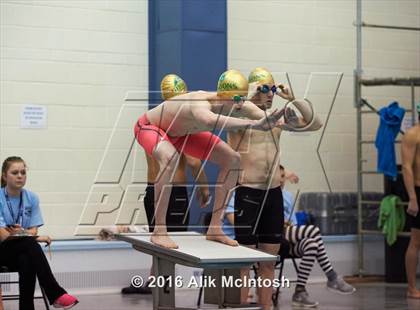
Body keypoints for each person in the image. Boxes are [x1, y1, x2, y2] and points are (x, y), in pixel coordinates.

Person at [134, 69, 285, 249]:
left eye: (243, 99)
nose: (240, 105)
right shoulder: (199, 103)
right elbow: (212, 121)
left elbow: (271, 120)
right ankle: (159, 231)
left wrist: (287, 121)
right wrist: (254, 124)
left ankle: (215, 228)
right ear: (223, 96)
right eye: (237, 100)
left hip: (182, 133)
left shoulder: (235, 102)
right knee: (170, 158)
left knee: (232, 159)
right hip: (150, 127)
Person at [227, 67, 322, 310]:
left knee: (269, 260)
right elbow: (226, 109)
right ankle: (240, 307)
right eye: (265, 89)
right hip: (248, 194)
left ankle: (266, 307)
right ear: (254, 90)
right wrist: (250, 96)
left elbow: (315, 124)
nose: (271, 94)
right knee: (245, 262)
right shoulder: (239, 118)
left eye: (272, 89)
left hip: (273, 196)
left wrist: (293, 99)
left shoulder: (277, 120)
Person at [121, 74, 210, 294]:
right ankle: (164, 291)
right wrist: (204, 186)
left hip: (152, 190)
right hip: (175, 192)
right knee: (173, 245)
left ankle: (156, 284)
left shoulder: (149, 122)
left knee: (158, 240)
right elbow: (193, 161)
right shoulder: (180, 125)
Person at [0, 156, 78, 310]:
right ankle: (55, 293)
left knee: (27, 260)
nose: (20, 176)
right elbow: (3, 236)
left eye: (23, 172)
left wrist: (20, 233)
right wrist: (29, 234)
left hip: (20, 251)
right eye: (15, 173)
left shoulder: (32, 198)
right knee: (29, 243)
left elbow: (33, 230)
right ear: (4, 176)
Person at [279, 165, 355, 308]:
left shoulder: (287, 196)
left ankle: (299, 292)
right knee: (313, 230)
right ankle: (332, 276)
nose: (282, 180)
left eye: (283, 177)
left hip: (290, 237)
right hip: (274, 237)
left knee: (312, 244)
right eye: (279, 177)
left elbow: (295, 225)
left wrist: (289, 224)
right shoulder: (266, 194)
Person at [402, 104, 420, 299]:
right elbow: (406, 167)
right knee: (416, 241)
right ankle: (412, 288)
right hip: (418, 190)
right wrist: (413, 198)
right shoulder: (412, 135)